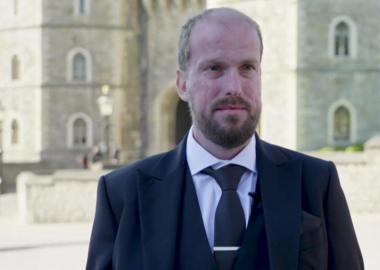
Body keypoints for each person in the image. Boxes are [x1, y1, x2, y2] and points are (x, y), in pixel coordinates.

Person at [86, 7, 363, 270]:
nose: (234, 87)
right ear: (182, 84)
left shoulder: (316, 183)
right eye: (214, 68)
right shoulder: (122, 194)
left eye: (247, 68)